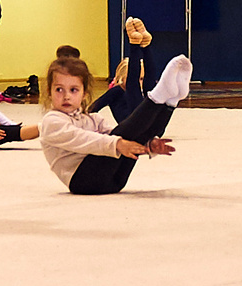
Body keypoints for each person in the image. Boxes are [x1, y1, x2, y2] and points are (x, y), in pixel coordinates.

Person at [38, 51, 192, 195]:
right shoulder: (52, 121)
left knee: (131, 135)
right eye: (59, 90)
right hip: (84, 182)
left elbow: (118, 136)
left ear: (84, 94)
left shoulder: (91, 119)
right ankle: (158, 97)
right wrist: (117, 143)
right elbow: (84, 140)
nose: (66, 96)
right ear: (49, 92)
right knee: (122, 135)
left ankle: (170, 102)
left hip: (115, 181)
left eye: (73, 90)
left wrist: (149, 145)